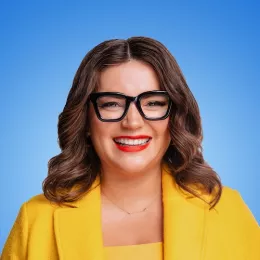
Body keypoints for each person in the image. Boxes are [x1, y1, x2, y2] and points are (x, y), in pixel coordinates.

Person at [1, 36, 259, 260]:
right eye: (111, 104)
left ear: (175, 116)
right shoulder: (36, 219)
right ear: (86, 120)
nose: (133, 122)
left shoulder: (227, 209)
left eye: (154, 103)